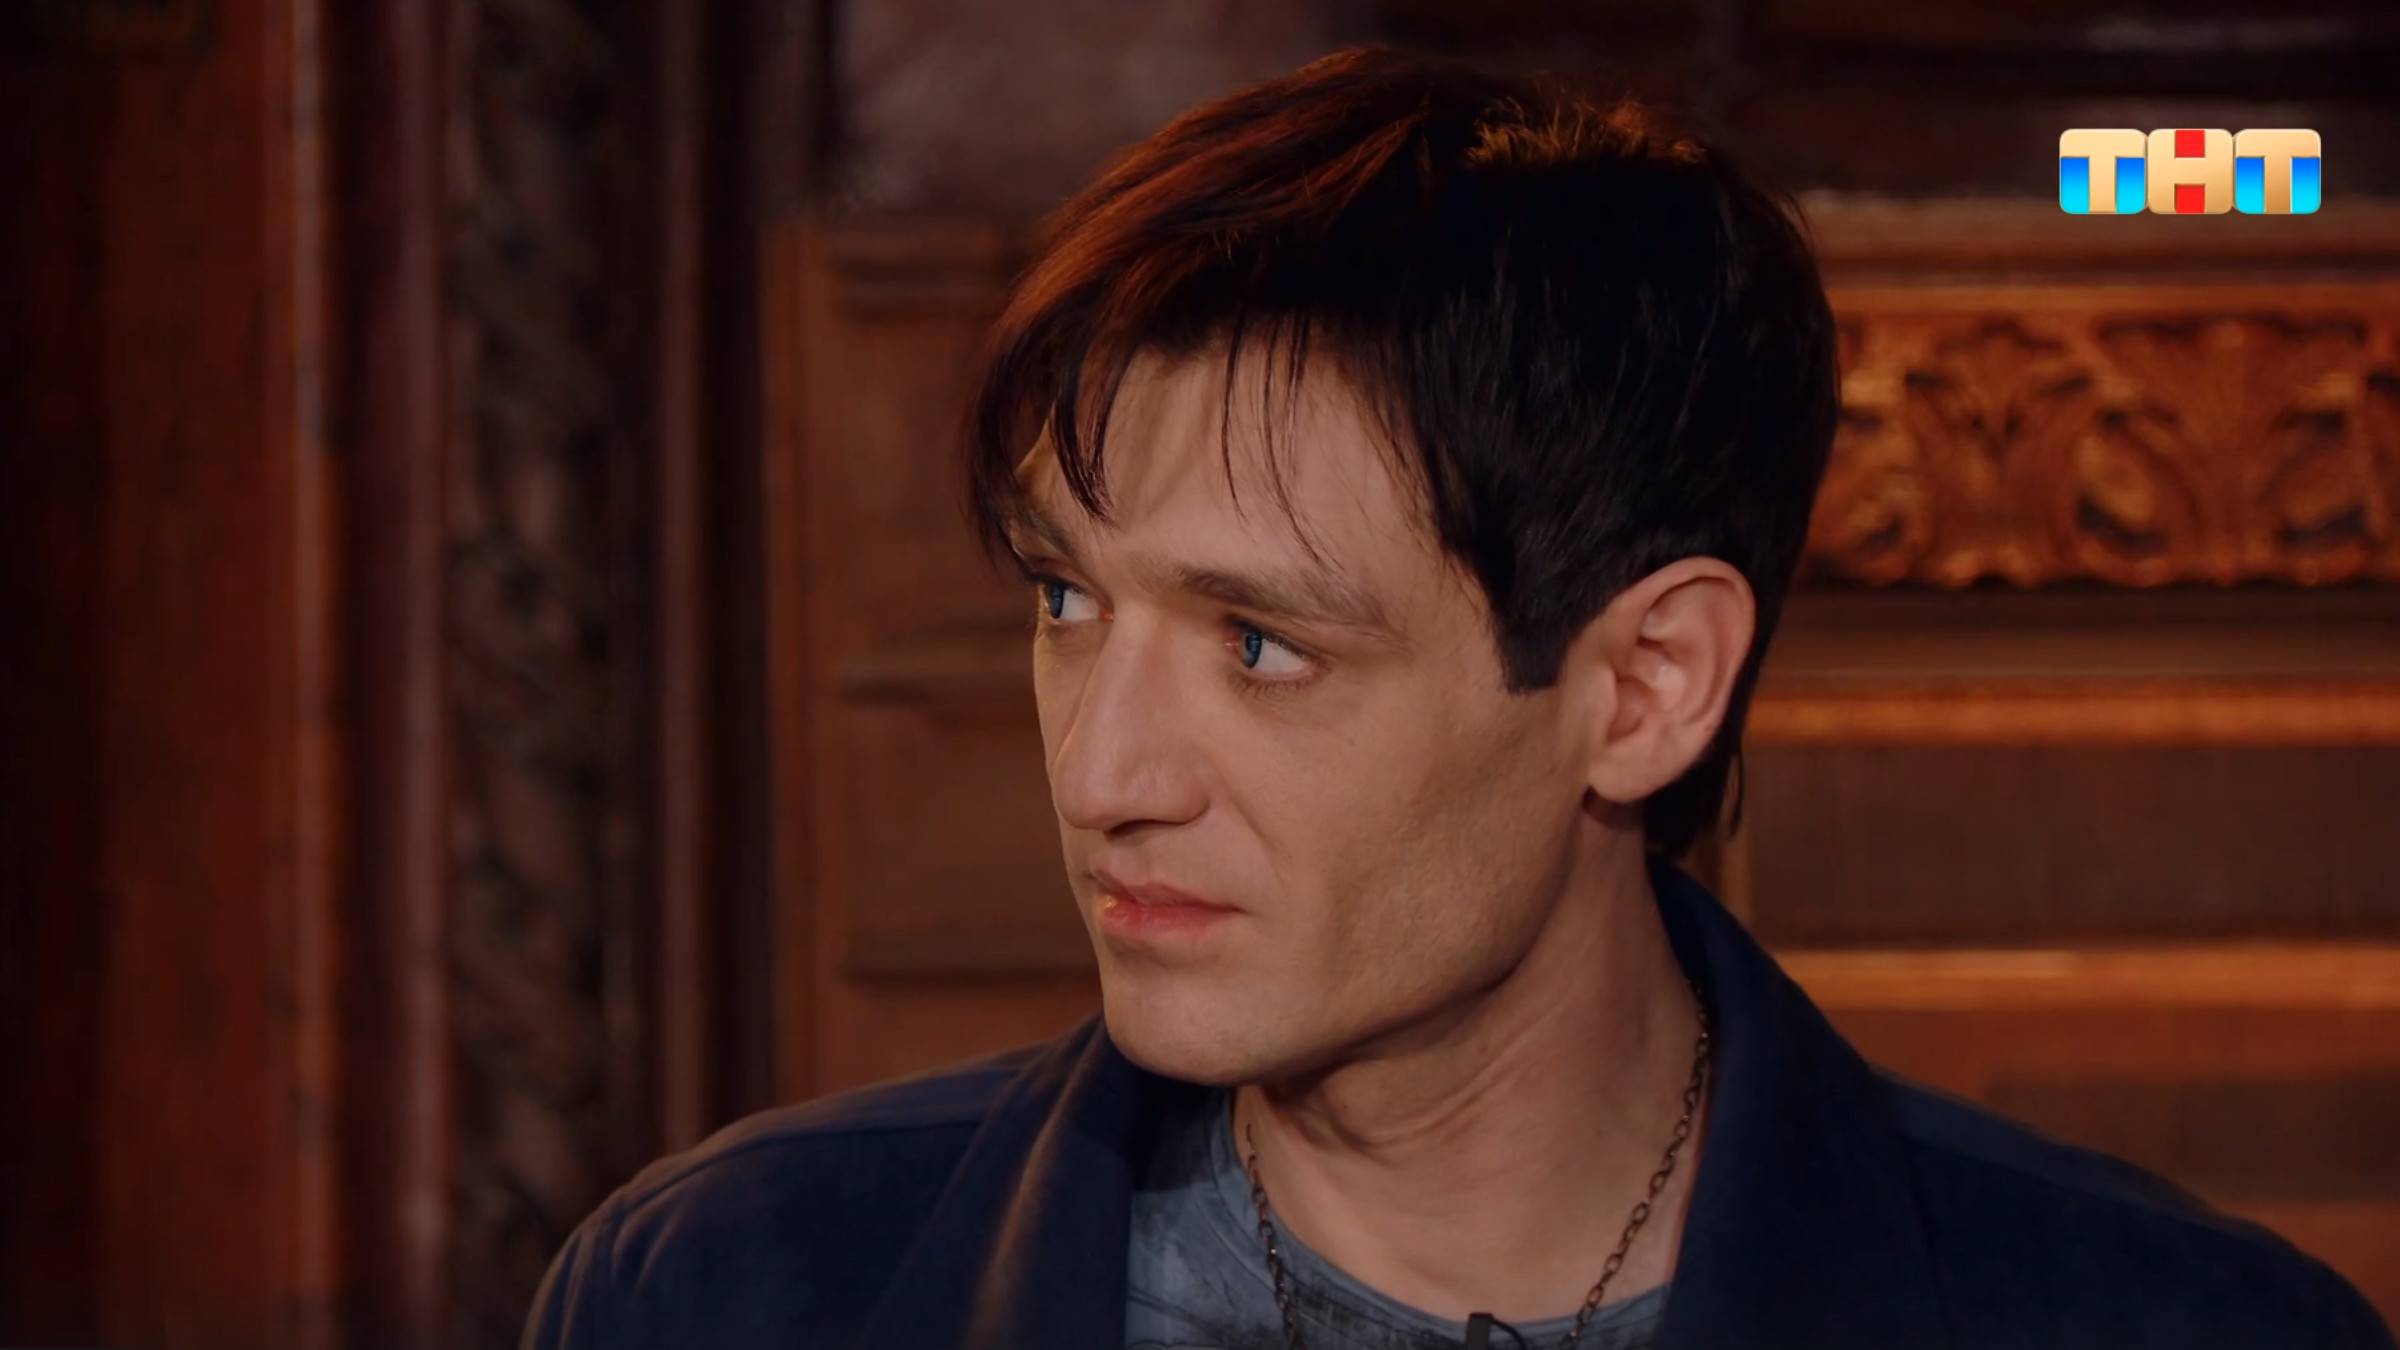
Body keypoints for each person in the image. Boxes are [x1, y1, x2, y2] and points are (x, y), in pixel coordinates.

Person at [521, 45, 2394, 1350]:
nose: (1102, 772)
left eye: (1262, 645)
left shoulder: (2177, 1329)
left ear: (1646, 684)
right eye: (1067, 600)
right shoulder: (726, 1296)